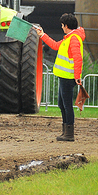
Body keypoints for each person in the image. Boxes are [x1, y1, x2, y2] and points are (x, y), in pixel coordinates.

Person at [34, 13, 85, 142]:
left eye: (62, 25)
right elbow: (55, 45)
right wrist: (42, 35)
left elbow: (77, 58)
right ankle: (66, 132)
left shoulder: (73, 39)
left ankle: (69, 134)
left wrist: (77, 76)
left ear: (66, 26)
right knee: (62, 104)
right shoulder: (69, 38)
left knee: (66, 105)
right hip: (64, 77)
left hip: (68, 77)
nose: (61, 27)